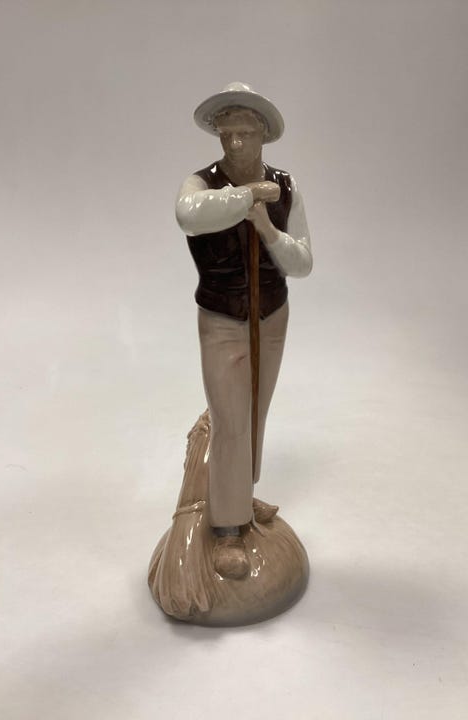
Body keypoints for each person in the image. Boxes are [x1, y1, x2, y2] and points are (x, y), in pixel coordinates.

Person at [176, 82, 312, 580]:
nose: (235, 143)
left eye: (245, 134)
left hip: (271, 315)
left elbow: (302, 263)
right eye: (227, 134)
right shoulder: (201, 184)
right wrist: (249, 195)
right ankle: (227, 530)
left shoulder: (287, 187)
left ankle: (238, 497)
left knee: (255, 411)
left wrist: (268, 229)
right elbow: (188, 215)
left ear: (263, 136)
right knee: (230, 420)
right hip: (223, 319)